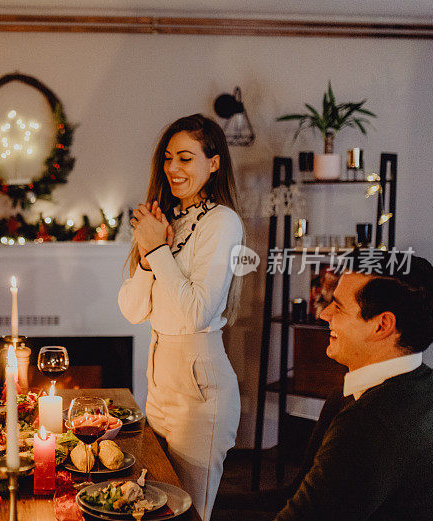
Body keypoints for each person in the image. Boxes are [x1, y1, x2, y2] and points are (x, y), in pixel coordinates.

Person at [118, 114, 244, 520]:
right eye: (169, 158)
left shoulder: (222, 222)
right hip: (159, 386)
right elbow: (134, 309)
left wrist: (156, 250)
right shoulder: (168, 221)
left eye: (186, 158)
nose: (172, 168)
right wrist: (149, 251)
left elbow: (195, 313)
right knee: (152, 506)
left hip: (200, 392)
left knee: (187, 512)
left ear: (214, 163)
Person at [274, 255, 433, 521]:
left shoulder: (369, 425)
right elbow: (293, 497)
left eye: (338, 306)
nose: (324, 314)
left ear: (382, 325)